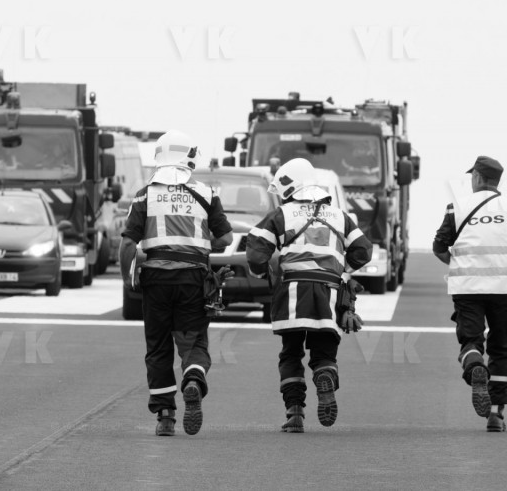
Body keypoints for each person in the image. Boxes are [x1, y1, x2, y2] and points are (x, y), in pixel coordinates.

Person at [119, 130, 233, 437]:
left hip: (156, 281)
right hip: (193, 280)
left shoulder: (145, 194)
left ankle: (166, 416)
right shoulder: (207, 194)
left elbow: (128, 244)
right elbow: (225, 238)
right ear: (190, 158)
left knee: (157, 348)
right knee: (192, 341)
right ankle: (193, 378)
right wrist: (203, 243)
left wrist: (129, 281)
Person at [246, 158, 372, 433]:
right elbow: (364, 250)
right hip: (329, 292)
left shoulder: (282, 214)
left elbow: (256, 250)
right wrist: (341, 270)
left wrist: (263, 270)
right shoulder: (340, 216)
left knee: (290, 353)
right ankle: (325, 375)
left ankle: (294, 413)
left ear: (290, 187)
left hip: (292, 290)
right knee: (323, 351)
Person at [433, 155, 507, 432]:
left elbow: (438, 247)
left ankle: (474, 366)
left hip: (467, 289)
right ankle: (496, 414)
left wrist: (459, 264)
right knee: (500, 348)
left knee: (470, 341)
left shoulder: (456, 207)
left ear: (478, 178)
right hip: (502, 290)